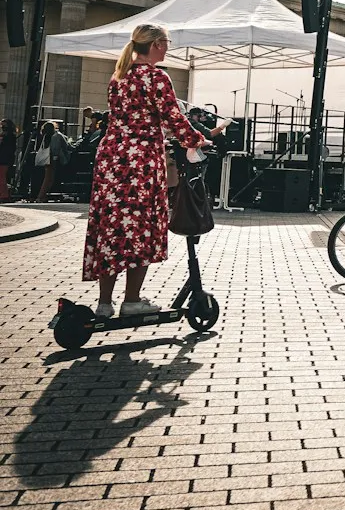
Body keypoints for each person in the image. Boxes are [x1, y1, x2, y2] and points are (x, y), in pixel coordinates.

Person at [83, 24, 217, 317]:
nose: (168, 47)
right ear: (156, 44)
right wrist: (198, 139)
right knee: (139, 226)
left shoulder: (119, 76)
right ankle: (131, 300)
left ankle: (104, 303)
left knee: (111, 226)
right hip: (140, 160)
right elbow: (172, 116)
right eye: (167, 42)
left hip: (111, 158)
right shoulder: (156, 76)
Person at [31, 121, 70, 202]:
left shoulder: (46, 136)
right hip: (52, 159)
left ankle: (42, 196)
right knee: (48, 179)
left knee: (49, 178)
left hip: (47, 158)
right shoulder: (57, 135)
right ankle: (40, 196)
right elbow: (62, 146)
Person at [0, 118, 16, 202]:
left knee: (2, 177)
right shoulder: (7, 135)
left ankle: (4, 195)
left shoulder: (8, 136)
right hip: (5, 159)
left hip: (4, 159)